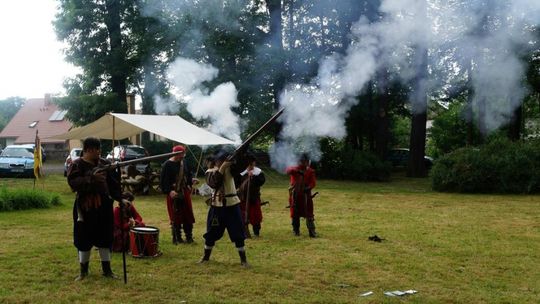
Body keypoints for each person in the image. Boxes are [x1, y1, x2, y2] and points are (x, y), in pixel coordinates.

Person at [67, 137, 125, 281]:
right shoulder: (77, 165)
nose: (99, 152)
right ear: (88, 150)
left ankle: (107, 270)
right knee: (84, 238)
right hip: (85, 207)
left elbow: (113, 185)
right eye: (96, 149)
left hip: (104, 206)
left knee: (105, 237)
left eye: (99, 149)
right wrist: (91, 178)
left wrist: (120, 198)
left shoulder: (105, 164)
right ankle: (83, 271)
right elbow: (73, 183)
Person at [199, 150, 249, 267]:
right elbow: (215, 183)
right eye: (223, 160)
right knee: (211, 233)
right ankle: (206, 257)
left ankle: (243, 260)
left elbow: (242, 166)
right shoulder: (210, 172)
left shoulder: (231, 169)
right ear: (217, 161)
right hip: (217, 207)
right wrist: (222, 168)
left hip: (232, 205)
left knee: (238, 233)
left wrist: (242, 152)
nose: (226, 162)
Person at [160, 145, 196, 244]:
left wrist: (190, 181)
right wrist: (169, 191)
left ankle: (189, 237)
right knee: (176, 216)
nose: (182, 157)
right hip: (173, 193)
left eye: (183, 154)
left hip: (184, 192)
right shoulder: (167, 164)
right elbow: (163, 182)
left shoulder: (183, 162)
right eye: (180, 155)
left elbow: (187, 175)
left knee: (187, 214)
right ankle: (177, 238)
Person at [286, 154, 317, 237]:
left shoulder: (310, 171)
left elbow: (313, 183)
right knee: (295, 213)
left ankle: (312, 231)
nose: (304, 163)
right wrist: (296, 170)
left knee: (309, 213)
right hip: (295, 195)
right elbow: (288, 170)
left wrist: (308, 187)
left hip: (306, 195)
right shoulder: (294, 168)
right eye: (302, 161)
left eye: (305, 161)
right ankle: (296, 230)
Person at [237, 153, 266, 237]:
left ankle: (256, 232)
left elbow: (261, 182)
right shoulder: (242, 172)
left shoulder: (258, 172)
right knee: (242, 215)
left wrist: (253, 177)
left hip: (253, 197)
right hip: (242, 198)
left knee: (255, 216)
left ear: (254, 163)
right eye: (249, 163)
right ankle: (244, 231)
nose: (250, 165)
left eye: (251, 162)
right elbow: (237, 182)